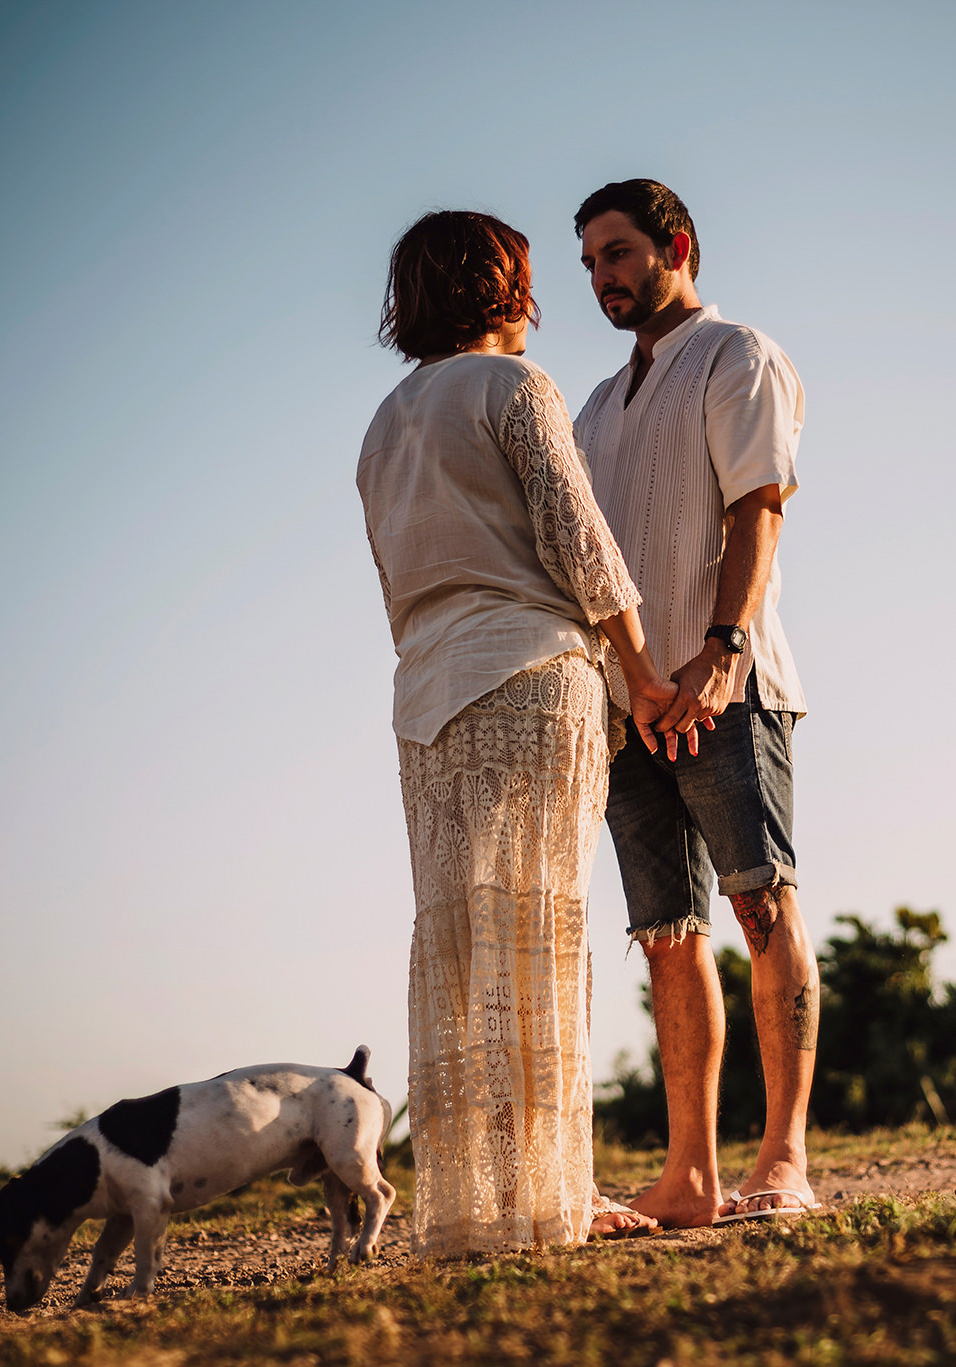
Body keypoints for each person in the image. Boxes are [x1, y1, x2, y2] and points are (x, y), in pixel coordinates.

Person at [358, 210, 677, 1256]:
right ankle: (556, 1197)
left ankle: (474, 1205)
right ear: (504, 285)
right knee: (542, 926)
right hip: (533, 676)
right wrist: (639, 670)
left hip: (422, 701)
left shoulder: (381, 427)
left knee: (459, 939)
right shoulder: (513, 388)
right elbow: (580, 542)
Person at [571, 180, 820, 1227]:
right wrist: (624, 687)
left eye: (618, 253)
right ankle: (688, 1175)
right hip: (629, 706)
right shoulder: (588, 405)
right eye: (587, 263)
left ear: (678, 245)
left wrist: (717, 653)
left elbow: (757, 506)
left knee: (761, 903)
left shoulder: (735, 355)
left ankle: (783, 1158)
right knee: (668, 934)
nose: (602, 278)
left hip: (724, 684)